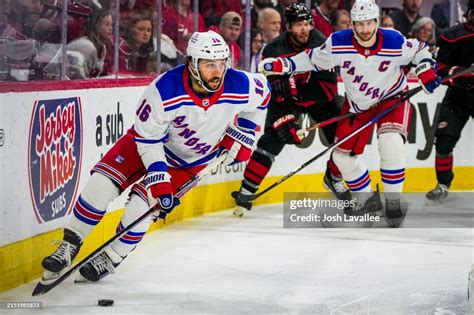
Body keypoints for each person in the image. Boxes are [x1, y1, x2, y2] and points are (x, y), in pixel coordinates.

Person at [39, 30, 270, 283]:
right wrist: (160, 181)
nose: (217, 72)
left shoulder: (239, 84)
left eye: (221, 64)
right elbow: (149, 141)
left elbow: (264, 94)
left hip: (191, 162)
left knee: (143, 207)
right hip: (145, 144)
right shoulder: (164, 89)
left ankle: (113, 255)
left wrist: (245, 134)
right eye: (208, 65)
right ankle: (69, 245)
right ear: (192, 64)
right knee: (101, 186)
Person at [258, 0, 441, 217]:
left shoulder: (393, 40)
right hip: (358, 106)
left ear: (376, 21)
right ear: (352, 24)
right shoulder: (339, 41)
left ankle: (393, 203)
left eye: (369, 23)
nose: (364, 30)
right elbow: (312, 59)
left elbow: (420, 50)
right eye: (359, 24)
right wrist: (284, 65)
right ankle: (367, 199)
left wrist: (425, 69)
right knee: (342, 158)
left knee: (390, 143)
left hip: (393, 99)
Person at [232, 3, 349, 216]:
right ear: (288, 26)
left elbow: (329, 90)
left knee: (344, 135)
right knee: (272, 139)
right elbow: (274, 91)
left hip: (319, 101)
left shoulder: (322, 44)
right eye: (298, 25)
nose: (304, 29)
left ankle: (334, 179)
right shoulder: (273, 49)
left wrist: (293, 87)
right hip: (288, 103)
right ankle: (246, 191)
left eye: (306, 24)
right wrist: (284, 119)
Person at [426, 0, 474, 201]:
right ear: (469, 14)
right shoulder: (452, 36)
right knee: (444, 143)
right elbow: (437, 67)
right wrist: (455, 74)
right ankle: (443, 184)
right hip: (458, 97)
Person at [44, 8, 113, 79]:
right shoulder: (86, 46)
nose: (111, 28)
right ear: (95, 25)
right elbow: (77, 80)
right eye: (107, 24)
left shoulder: (102, 48)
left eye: (111, 24)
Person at [119, 10, 155, 75]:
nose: (146, 34)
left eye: (149, 30)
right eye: (141, 29)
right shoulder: (121, 48)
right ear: (131, 29)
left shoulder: (145, 52)